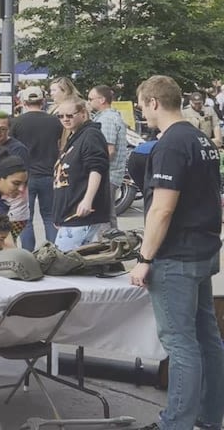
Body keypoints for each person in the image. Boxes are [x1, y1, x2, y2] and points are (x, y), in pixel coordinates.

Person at [129, 75, 224, 430]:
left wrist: (144, 259)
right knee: (208, 338)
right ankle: (208, 417)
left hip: (177, 256)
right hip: (203, 250)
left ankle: (177, 422)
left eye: (142, 106)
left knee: (181, 344)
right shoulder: (201, 138)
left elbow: (162, 209)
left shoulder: (170, 144)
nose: (143, 113)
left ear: (154, 102)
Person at [50, 98, 112, 253]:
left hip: (81, 213)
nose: (65, 119)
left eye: (70, 115)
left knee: (62, 260)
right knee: (67, 260)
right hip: (70, 213)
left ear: (83, 114)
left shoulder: (91, 135)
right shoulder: (74, 136)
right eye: (61, 116)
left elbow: (96, 168)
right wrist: (60, 214)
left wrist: (87, 200)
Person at [11, 86, 64, 249]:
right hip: (49, 174)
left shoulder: (16, 122)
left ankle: (28, 254)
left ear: (23, 102)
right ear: (43, 101)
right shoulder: (56, 121)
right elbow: (61, 146)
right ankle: (53, 253)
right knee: (49, 217)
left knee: (26, 218)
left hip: (24, 178)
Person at [88, 85, 129, 230]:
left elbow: (108, 150)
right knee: (107, 213)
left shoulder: (107, 120)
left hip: (108, 174)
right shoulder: (107, 117)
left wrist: (94, 169)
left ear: (102, 100)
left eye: (91, 99)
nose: (89, 102)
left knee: (105, 214)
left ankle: (110, 245)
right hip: (110, 174)